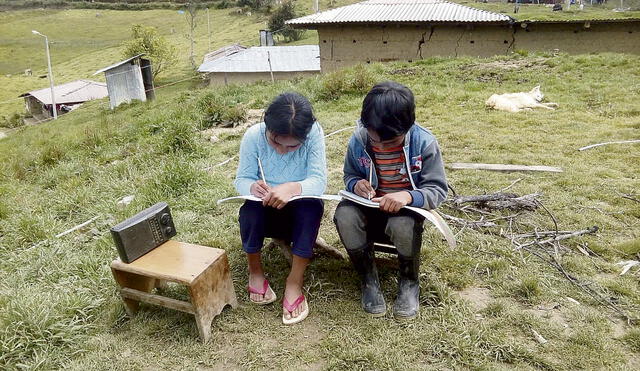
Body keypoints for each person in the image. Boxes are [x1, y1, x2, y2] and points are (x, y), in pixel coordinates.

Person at [333, 81, 447, 319]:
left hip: (404, 213)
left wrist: (407, 196)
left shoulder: (424, 143)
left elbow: (437, 190)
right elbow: (350, 175)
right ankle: (368, 278)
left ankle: (409, 281)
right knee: (344, 214)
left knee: (401, 224)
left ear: (408, 126)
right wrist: (357, 184)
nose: (381, 146)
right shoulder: (360, 139)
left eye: (391, 142)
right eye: (375, 141)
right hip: (370, 208)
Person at [234, 92, 327, 325]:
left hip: (298, 212)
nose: (283, 150)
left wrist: (293, 188)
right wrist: (251, 186)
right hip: (266, 210)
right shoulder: (253, 137)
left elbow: (318, 181)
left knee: (312, 207)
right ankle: (255, 272)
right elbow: (241, 179)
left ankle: (294, 282)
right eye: (276, 142)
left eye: (293, 146)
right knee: (249, 211)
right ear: (266, 123)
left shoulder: (313, 134)